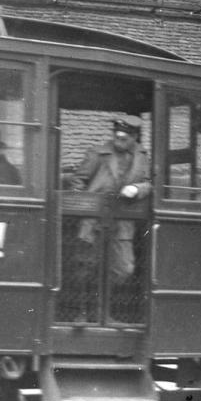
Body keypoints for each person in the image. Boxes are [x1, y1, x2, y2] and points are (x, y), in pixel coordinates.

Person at [69, 117, 152, 283]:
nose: (118, 140)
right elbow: (78, 182)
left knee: (124, 269)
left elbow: (149, 184)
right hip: (93, 222)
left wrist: (136, 189)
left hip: (123, 222)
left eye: (124, 138)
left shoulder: (142, 156)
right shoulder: (97, 153)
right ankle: (88, 305)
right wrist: (82, 207)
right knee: (86, 269)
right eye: (116, 136)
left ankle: (111, 303)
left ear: (134, 137)